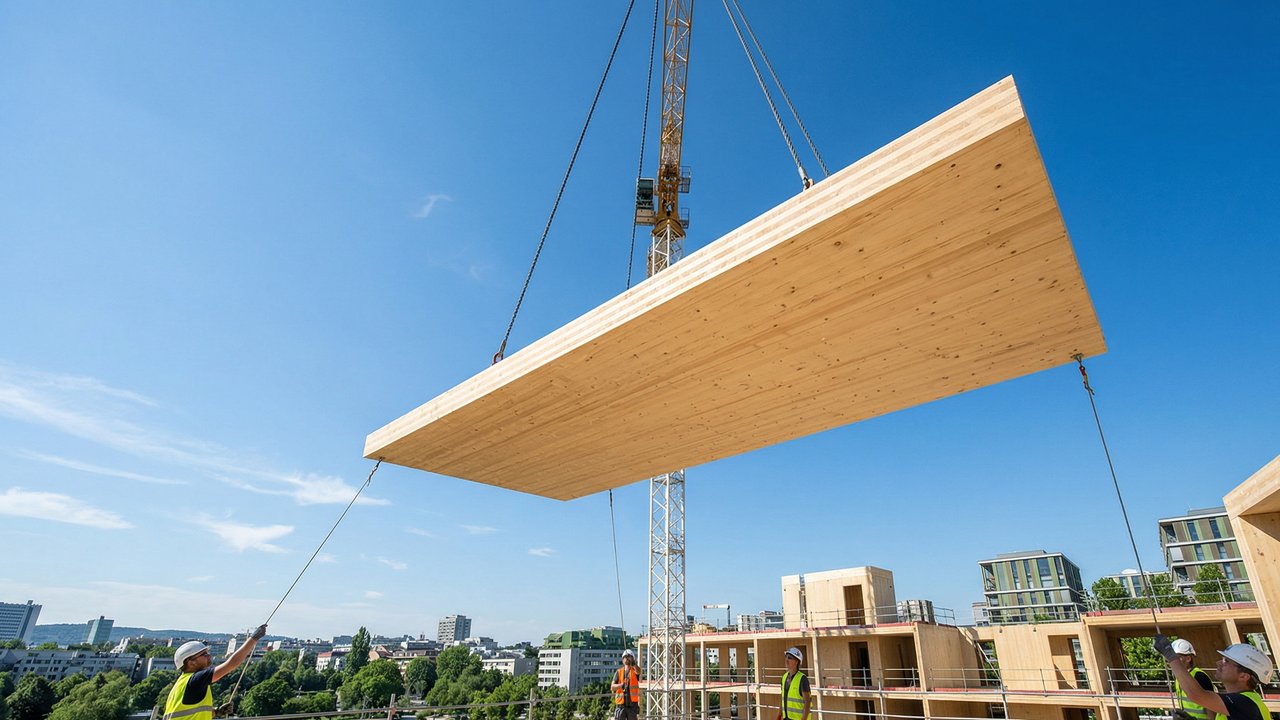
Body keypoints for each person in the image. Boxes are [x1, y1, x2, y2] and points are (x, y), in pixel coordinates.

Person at [163, 624, 267, 720]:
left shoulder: (183, 683)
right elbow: (231, 664)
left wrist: (217, 712)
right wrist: (254, 638)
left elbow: (191, 712)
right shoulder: (196, 680)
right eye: (204, 654)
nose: (209, 656)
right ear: (191, 662)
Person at [1156, 635, 1273, 720]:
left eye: (1226, 661)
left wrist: (1170, 654)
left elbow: (1197, 695)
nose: (1218, 663)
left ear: (1244, 676)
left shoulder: (1245, 703)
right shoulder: (1243, 702)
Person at [1169, 639, 1214, 720]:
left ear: (1188, 658)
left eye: (1177, 658)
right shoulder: (1178, 677)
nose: (1173, 662)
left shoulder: (1199, 676)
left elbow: (1211, 705)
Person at [775, 646, 811, 720]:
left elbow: (807, 702)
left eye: (790, 658)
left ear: (797, 662)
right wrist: (779, 715)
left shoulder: (802, 679)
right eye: (786, 657)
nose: (786, 660)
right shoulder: (784, 677)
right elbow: (783, 698)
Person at [611, 649, 640, 720]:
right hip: (621, 705)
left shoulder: (634, 671)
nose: (627, 658)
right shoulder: (618, 672)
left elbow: (638, 671)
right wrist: (621, 685)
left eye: (629, 657)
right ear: (623, 660)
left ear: (632, 659)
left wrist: (634, 664)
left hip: (632, 706)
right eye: (625, 657)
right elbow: (612, 687)